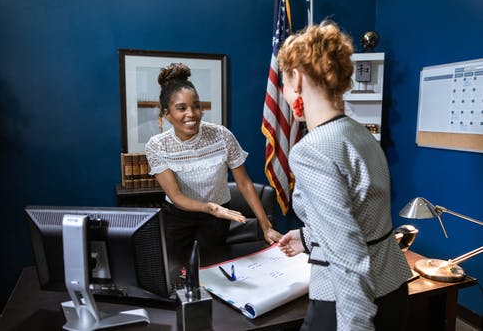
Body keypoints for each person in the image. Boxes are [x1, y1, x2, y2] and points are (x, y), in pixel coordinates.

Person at [276, 21, 412, 330]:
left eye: (282, 83)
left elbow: (349, 254)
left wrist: (356, 325)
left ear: (297, 79)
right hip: (392, 287)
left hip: (348, 302)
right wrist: (307, 238)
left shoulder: (311, 149)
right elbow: (360, 217)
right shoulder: (360, 134)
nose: (284, 94)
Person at [145, 63, 282, 265]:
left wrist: (265, 225)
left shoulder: (222, 136)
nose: (191, 113)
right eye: (181, 108)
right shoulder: (157, 146)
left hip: (217, 219)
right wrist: (209, 207)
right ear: (166, 114)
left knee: (213, 268)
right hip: (178, 218)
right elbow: (175, 195)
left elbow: (244, 183)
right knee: (179, 273)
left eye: (196, 106)